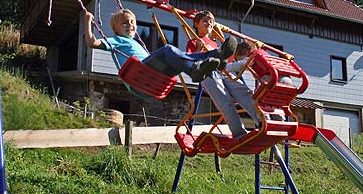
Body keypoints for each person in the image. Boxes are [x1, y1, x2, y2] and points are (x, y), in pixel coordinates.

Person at [84, 9, 236, 82]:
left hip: (154, 74)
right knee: (168, 50)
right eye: (124, 23)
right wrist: (87, 21)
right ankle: (196, 68)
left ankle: (215, 55)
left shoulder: (135, 42)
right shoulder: (117, 40)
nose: (130, 25)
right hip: (140, 73)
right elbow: (92, 43)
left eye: (132, 22)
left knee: (179, 59)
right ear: (115, 29)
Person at [186, 11, 261, 139]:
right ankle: (239, 134)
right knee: (225, 102)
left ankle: (261, 120)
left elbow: (225, 60)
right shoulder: (194, 41)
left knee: (244, 91)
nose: (208, 23)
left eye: (210, 22)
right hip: (207, 73)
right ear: (196, 24)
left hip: (222, 71)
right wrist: (199, 49)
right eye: (204, 21)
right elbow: (191, 62)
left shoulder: (214, 44)